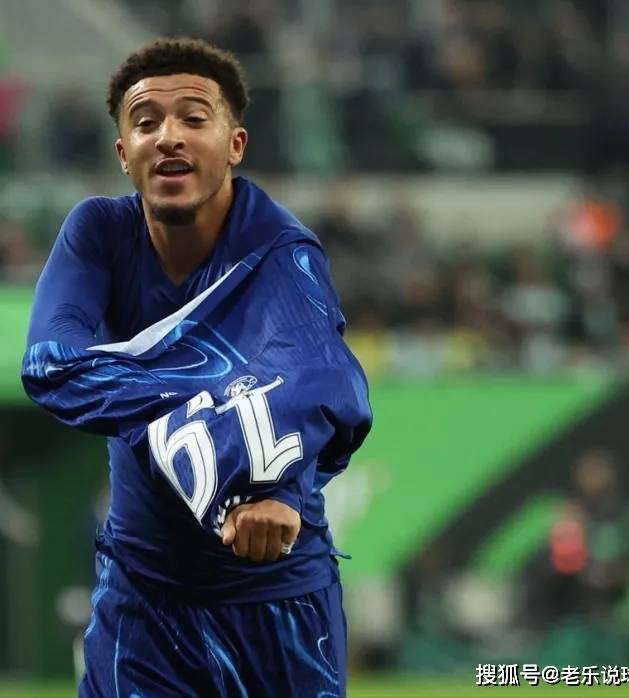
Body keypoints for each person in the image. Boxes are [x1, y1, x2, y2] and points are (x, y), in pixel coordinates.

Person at [22, 38, 372, 696]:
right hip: (142, 602)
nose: (168, 137)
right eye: (146, 122)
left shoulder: (279, 250)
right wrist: (212, 408)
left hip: (277, 599)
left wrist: (281, 493)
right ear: (123, 153)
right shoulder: (97, 232)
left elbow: (321, 382)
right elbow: (50, 364)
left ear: (235, 144)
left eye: (193, 117)